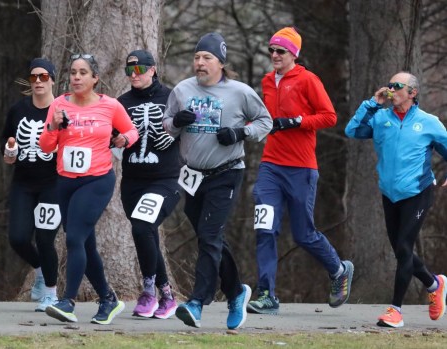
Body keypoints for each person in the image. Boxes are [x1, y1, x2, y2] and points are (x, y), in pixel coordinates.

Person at [162, 32, 272, 330]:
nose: (200, 62)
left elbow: (265, 121)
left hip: (226, 172)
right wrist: (177, 123)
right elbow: (167, 126)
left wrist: (240, 133)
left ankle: (197, 303)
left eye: (206, 58)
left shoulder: (239, 92)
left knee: (210, 237)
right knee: (209, 238)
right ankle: (236, 293)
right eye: (197, 57)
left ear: (221, 63)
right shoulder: (182, 90)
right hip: (193, 176)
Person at [247, 27, 354, 315]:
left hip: (301, 168)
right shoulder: (267, 81)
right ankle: (266, 294)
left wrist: (295, 121)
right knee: (264, 228)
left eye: (280, 51)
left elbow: (329, 116)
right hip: (270, 165)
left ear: (294, 54)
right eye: (271, 50)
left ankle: (338, 269)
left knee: (303, 235)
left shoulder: (308, 79)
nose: (274, 55)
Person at [39, 53, 138, 325]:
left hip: (96, 180)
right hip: (65, 182)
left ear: (95, 78)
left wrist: (122, 139)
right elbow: (46, 146)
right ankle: (108, 299)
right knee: (85, 243)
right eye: (73, 72)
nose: (76, 77)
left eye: (83, 73)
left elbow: (133, 132)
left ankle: (67, 301)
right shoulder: (58, 105)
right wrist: (53, 126)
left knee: (73, 240)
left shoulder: (110, 106)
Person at [345, 71, 447, 328]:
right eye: (389, 84)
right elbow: (353, 130)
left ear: (412, 93)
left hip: (418, 192)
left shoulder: (429, 122)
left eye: (397, 86)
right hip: (390, 194)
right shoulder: (380, 118)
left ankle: (396, 311)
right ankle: (435, 284)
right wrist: (372, 103)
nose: (391, 89)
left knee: (403, 247)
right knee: (401, 250)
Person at [116, 50, 180, 319]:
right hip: (132, 181)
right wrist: (115, 141)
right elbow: (109, 136)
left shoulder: (172, 97)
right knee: (145, 232)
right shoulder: (121, 102)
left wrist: (176, 134)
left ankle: (148, 291)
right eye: (130, 71)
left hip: (165, 180)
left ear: (152, 70)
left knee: (143, 226)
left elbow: (193, 126)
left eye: (139, 70)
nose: (135, 76)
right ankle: (167, 295)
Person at [1, 58, 60, 312]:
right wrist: (9, 152)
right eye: (34, 77)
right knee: (18, 238)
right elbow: (7, 151)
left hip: (53, 183)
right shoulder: (17, 110)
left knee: (45, 238)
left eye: (43, 77)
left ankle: (51, 293)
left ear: (53, 80)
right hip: (23, 182)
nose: (38, 81)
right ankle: (38, 270)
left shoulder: (61, 110)